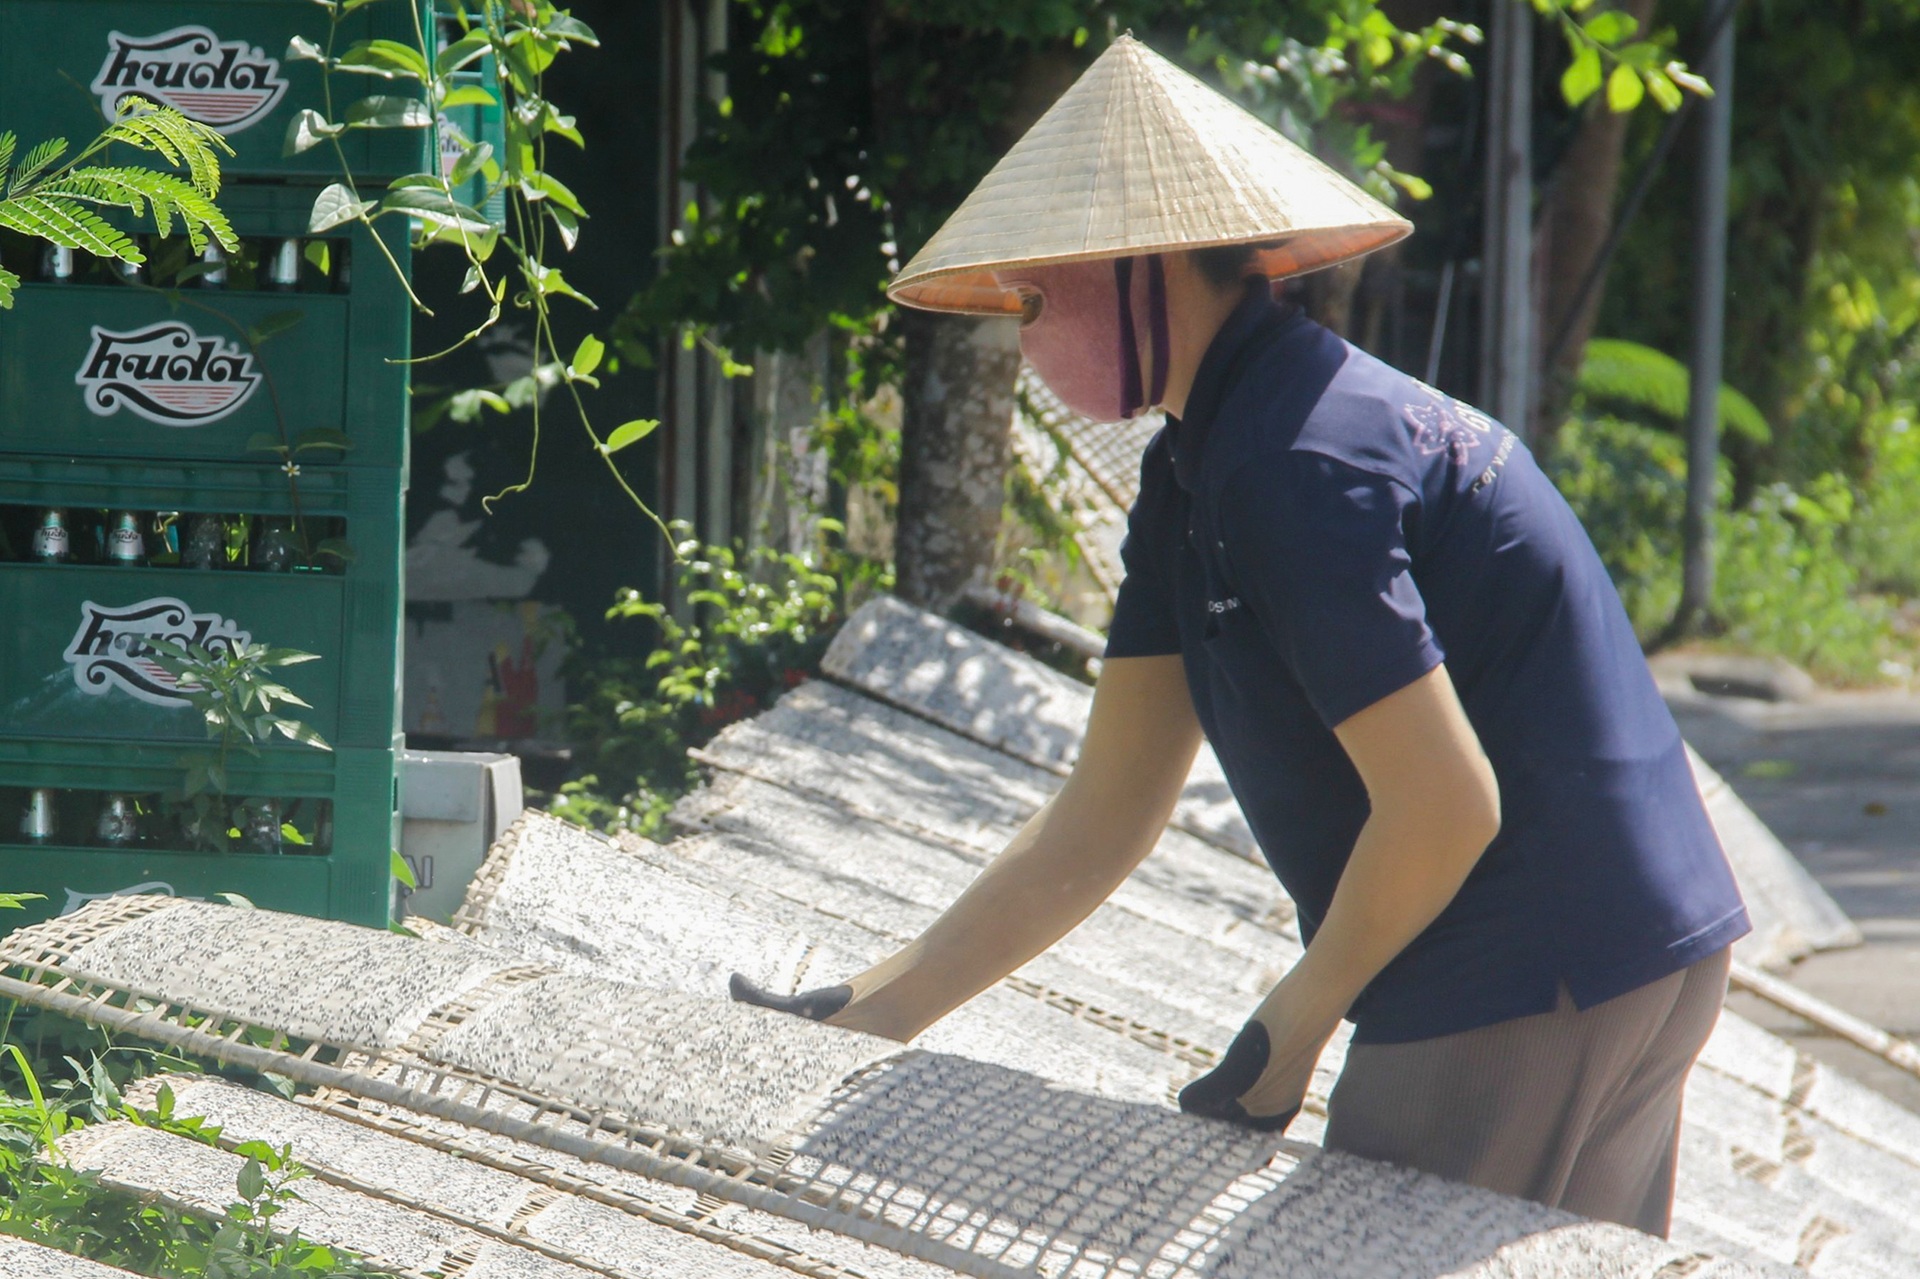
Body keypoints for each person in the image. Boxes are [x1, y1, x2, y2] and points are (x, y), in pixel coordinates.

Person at [732, 34, 1748, 1238]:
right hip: (1635, 939)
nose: (1027, 327)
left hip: (1525, 966)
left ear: (1143, 268)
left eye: (1040, 294)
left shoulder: (1292, 460)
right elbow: (1101, 817)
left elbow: (1444, 805)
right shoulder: (1207, 465)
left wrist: (1290, 1031)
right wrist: (873, 1010)